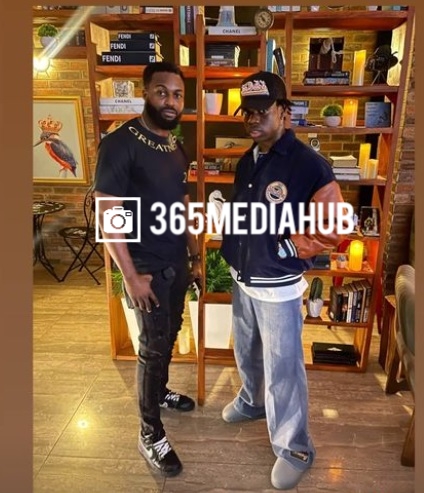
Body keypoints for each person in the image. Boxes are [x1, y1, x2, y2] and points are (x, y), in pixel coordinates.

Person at [220, 71, 347, 490]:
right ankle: (252, 401)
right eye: (247, 112)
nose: (253, 119)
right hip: (243, 275)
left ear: (284, 113)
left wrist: (291, 246)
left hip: (276, 285)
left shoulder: (308, 165)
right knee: (247, 352)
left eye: (262, 111)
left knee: (283, 369)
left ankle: (295, 448)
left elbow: (335, 226)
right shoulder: (249, 159)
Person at [94, 62, 201, 477]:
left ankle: (158, 392)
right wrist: (130, 275)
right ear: (145, 93)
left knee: (170, 335)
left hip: (175, 261)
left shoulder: (174, 146)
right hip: (145, 268)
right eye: (162, 92)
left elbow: (183, 205)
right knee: (152, 348)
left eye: (177, 94)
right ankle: (149, 433)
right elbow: (109, 212)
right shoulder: (120, 144)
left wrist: (194, 256)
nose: (170, 101)